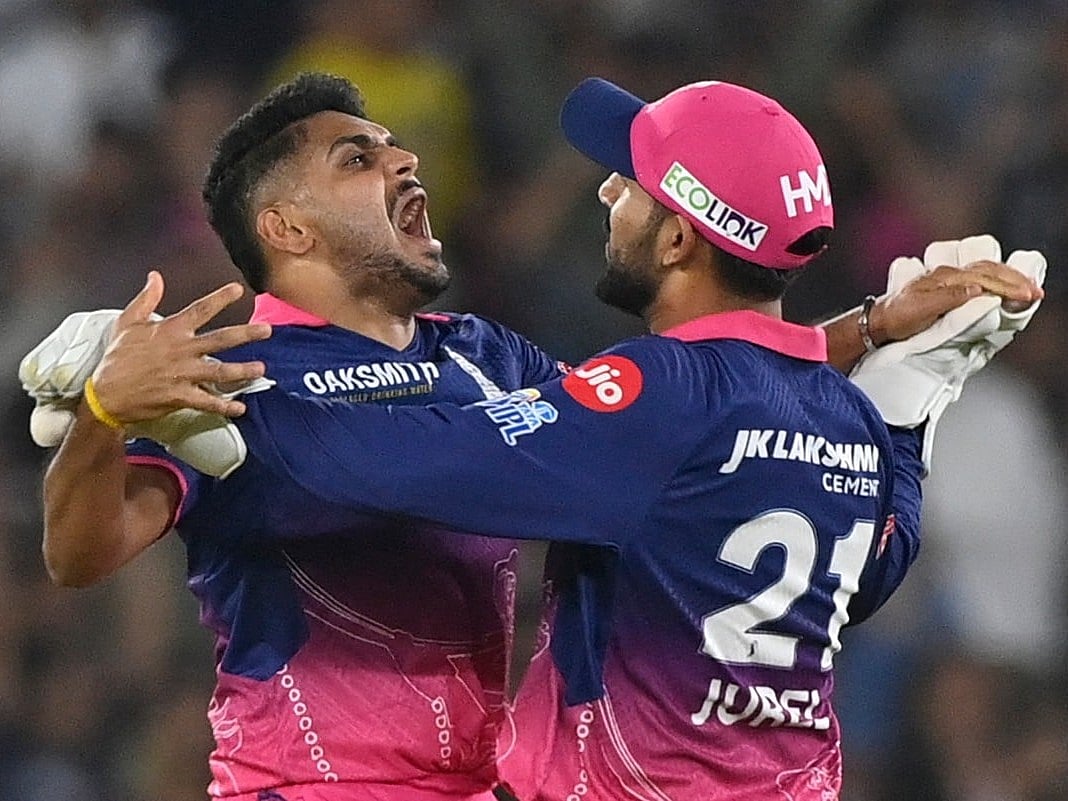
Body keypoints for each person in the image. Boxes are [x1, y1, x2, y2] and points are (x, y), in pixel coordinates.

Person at [28, 75, 1041, 800]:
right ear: (286, 229)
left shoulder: (483, 355)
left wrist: (867, 331)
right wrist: (106, 421)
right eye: (359, 156)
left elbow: (677, 434)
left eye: (395, 146)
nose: (405, 157)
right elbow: (82, 555)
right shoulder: (228, 358)